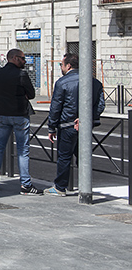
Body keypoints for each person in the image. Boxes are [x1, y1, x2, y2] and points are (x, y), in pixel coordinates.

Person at [44, 53, 104, 196]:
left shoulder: (62, 82)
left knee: (64, 157)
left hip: (67, 125)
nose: (61, 67)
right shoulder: (94, 82)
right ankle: (85, 185)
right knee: (83, 156)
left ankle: (60, 187)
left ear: (68, 65)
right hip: (84, 125)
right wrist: (86, 118)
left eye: (61, 65)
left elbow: (56, 107)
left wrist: (51, 127)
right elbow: (100, 105)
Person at [0, 48, 42, 195]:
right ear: (14, 58)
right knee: (23, 150)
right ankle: (25, 184)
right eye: (23, 58)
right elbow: (31, 94)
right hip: (19, 114)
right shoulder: (21, 74)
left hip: (1, 114)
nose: (25, 61)